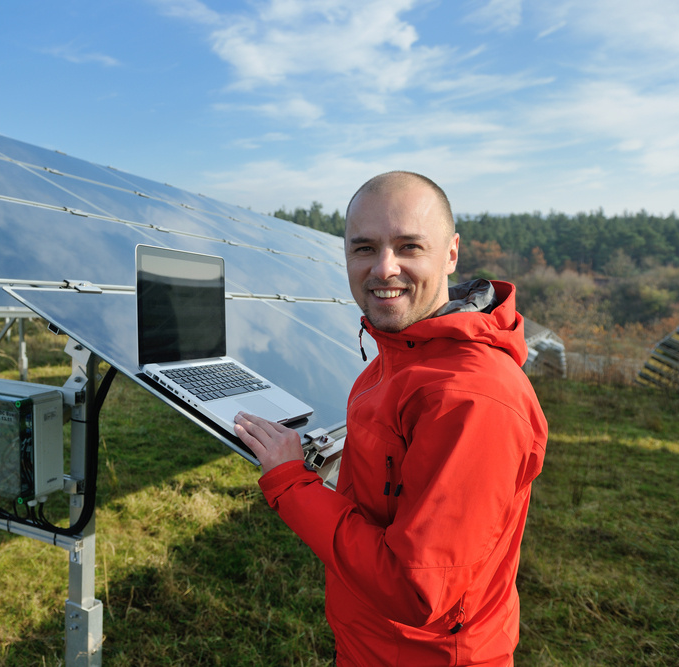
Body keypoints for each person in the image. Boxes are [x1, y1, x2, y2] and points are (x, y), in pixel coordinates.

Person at [234, 171, 548, 666]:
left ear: (450, 253)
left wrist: (292, 484)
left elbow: (415, 590)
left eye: (409, 246)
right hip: (374, 646)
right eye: (364, 248)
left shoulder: (470, 398)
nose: (384, 269)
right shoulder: (403, 352)